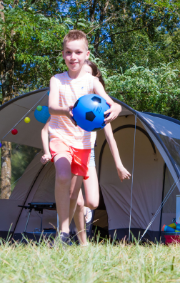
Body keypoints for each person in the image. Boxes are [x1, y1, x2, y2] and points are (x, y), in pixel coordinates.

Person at [41, 60, 130, 246]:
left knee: (92, 202)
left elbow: (111, 138)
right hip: (69, 146)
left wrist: (119, 165)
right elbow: (47, 124)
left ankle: (79, 218)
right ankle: (76, 239)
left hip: (86, 153)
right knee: (75, 197)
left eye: (88, 74)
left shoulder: (99, 108)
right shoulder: (74, 103)